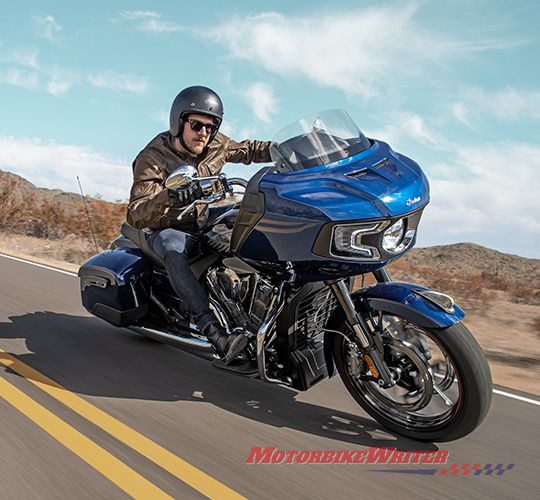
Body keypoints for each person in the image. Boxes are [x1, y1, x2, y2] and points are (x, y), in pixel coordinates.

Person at [126, 85, 273, 363]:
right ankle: (214, 331)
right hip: (168, 226)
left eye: (211, 127)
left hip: (205, 219)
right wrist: (169, 196)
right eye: (196, 125)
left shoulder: (215, 145)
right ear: (178, 122)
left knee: (249, 223)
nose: (203, 133)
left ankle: (258, 311)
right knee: (172, 246)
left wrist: (288, 150)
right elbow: (136, 213)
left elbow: (250, 150)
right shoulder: (153, 157)